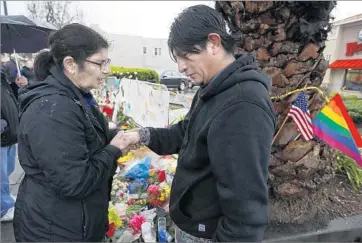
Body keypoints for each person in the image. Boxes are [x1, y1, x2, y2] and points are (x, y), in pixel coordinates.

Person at [122, 5, 276, 242]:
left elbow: (246, 208)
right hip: (192, 225)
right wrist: (141, 136)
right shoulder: (212, 89)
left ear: (213, 43)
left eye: (186, 56)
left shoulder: (243, 104)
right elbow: (186, 132)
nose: (181, 67)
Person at [13, 23, 131, 242]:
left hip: (75, 222)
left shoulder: (78, 95)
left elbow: (86, 137)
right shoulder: (52, 109)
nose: (107, 70)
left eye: (107, 62)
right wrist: (114, 149)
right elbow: (74, 182)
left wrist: (115, 135)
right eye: (100, 62)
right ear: (70, 64)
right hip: (55, 230)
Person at [0, 70, 26, 222]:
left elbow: (8, 98)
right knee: (1, 175)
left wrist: (16, 87)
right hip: (2, 133)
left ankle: (4, 197)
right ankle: (3, 208)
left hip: (8, 134)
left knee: (7, 170)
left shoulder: (2, 76)